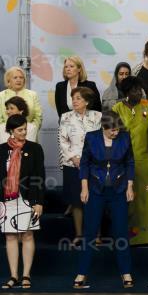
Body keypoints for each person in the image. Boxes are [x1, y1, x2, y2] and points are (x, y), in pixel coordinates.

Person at [73, 112, 135, 288]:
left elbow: (130, 162)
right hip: (95, 190)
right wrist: (84, 188)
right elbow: (84, 163)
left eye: (117, 130)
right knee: (90, 232)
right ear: (103, 127)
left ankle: (126, 272)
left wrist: (130, 186)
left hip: (119, 190)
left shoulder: (125, 137)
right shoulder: (92, 138)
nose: (116, 133)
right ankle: (81, 272)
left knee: (121, 232)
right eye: (112, 131)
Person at [0, 114, 45, 289]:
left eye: (25, 129)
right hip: (6, 199)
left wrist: (39, 201)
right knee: (10, 236)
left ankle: (26, 275)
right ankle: (13, 275)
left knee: (27, 234)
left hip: (28, 198)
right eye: (20, 130)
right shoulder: (0, 150)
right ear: (11, 131)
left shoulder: (35, 148)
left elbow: (39, 177)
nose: (24, 132)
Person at [113, 77, 148, 246]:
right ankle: (132, 237)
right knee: (131, 199)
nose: (139, 93)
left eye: (140, 89)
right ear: (126, 92)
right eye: (134, 90)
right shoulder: (117, 108)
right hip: (125, 161)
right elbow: (112, 134)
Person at [58, 86, 102, 240]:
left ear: (87, 101)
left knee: (95, 200)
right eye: (73, 98)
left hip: (94, 165)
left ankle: (96, 235)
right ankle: (79, 235)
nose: (74, 101)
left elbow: (102, 140)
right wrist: (73, 158)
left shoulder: (98, 116)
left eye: (78, 98)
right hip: (72, 164)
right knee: (76, 201)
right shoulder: (65, 117)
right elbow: (62, 140)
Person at [0, 66, 42, 144]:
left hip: (29, 137)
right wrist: (11, 134)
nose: (19, 80)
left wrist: (29, 131)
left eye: (21, 77)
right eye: (15, 77)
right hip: (5, 138)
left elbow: (38, 117)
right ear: (8, 80)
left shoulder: (33, 95)